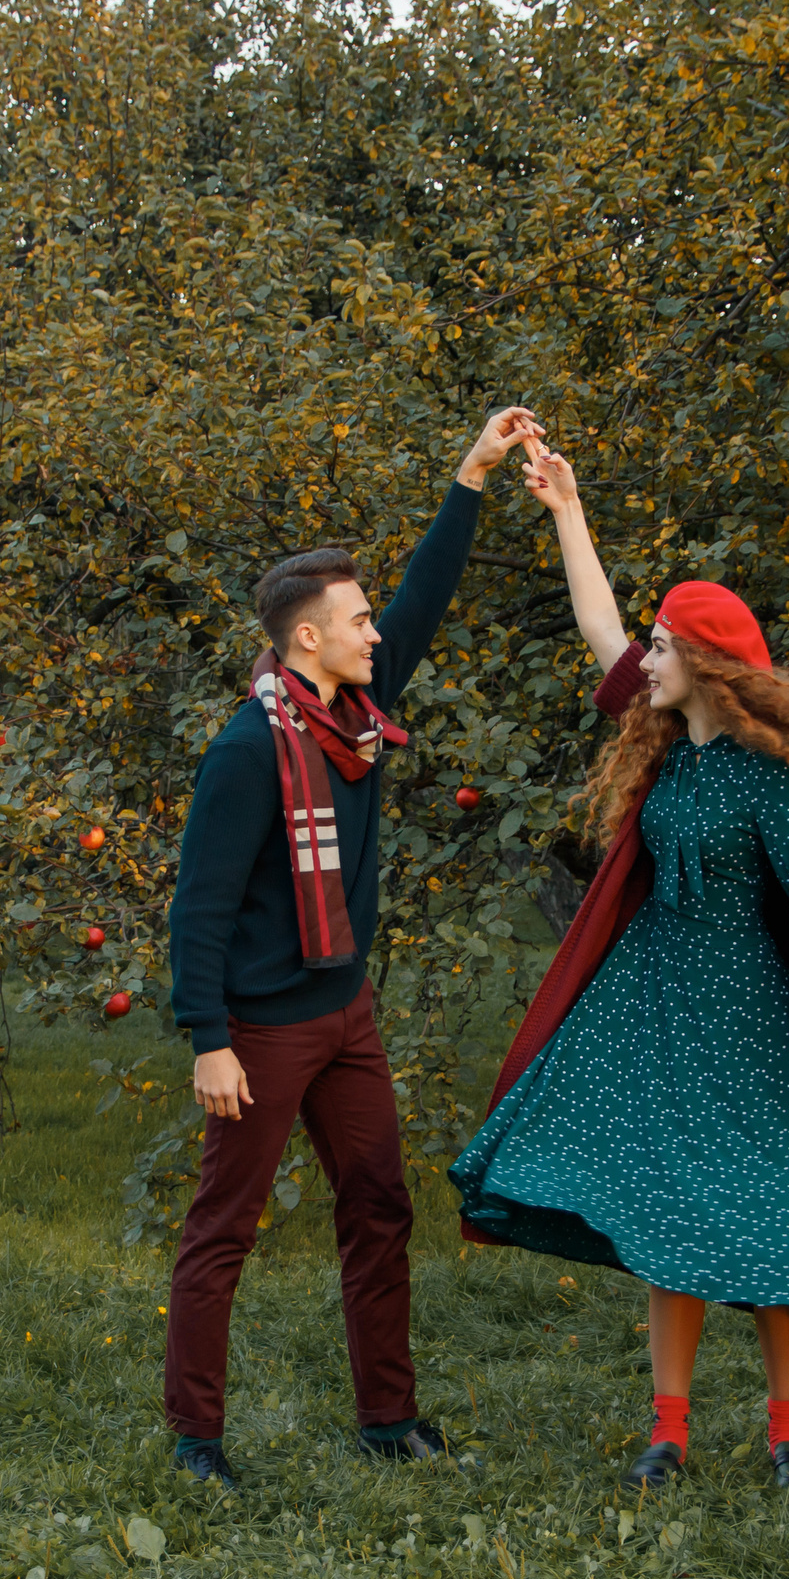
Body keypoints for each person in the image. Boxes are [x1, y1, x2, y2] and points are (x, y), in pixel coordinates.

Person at [450, 441, 789, 1491]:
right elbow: (601, 629)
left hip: (761, 1023)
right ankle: (668, 1435)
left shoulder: (769, 785)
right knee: (664, 1213)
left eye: (659, 648)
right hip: (657, 1009)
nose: (639, 661)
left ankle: (788, 1436)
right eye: (646, 649)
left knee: (776, 1218)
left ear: (704, 664)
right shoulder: (661, 739)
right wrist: (567, 512)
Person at [163, 405, 539, 1488]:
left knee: (379, 1203)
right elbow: (199, 907)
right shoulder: (248, 752)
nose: (379, 633)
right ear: (305, 641)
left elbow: (423, 599)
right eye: (358, 622)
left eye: (374, 623)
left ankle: (388, 1419)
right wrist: (209, 1039)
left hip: (345, 1015)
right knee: (223, 1228)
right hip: (263, 1030)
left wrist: (471, 470)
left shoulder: (358, 721)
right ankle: (196, 1441)